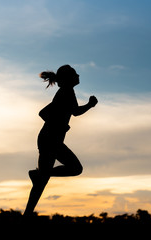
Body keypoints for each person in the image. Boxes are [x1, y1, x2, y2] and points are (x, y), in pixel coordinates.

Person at [23, 64, 98, 216]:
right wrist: (90, 105)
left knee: (42, 181)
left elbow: (49, 112)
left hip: (49, 139)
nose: (78, 75)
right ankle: (38, 177)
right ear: (69, 79)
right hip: (51, 140)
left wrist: (60, 125)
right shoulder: (66, 92)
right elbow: (49, 113)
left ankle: (27, 215)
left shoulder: (66, 92)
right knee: (76, 168)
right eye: (75, 74)